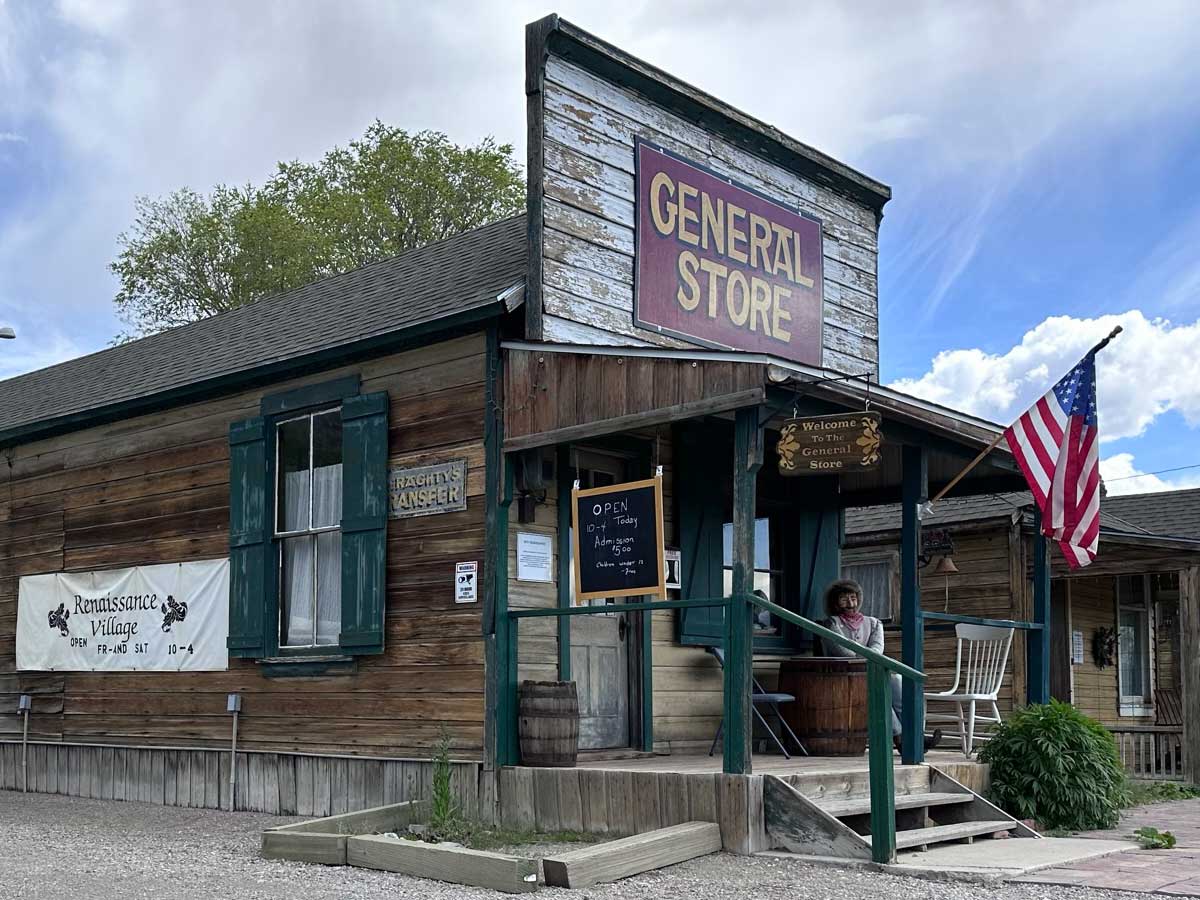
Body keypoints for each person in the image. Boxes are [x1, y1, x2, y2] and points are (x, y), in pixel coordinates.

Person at [819, 579, 940, 753]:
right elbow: (844, 653)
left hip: (873, 669)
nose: (850, 603)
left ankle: (915, 735)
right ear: (835, 602)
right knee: (879, 693)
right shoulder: (832, 623)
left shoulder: (874, 623)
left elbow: (878, 648)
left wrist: (866, 656)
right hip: (846, 675)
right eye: (844, 599)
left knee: (899, 681)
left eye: (853, 598)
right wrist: (865, 655)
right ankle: (901, 739)